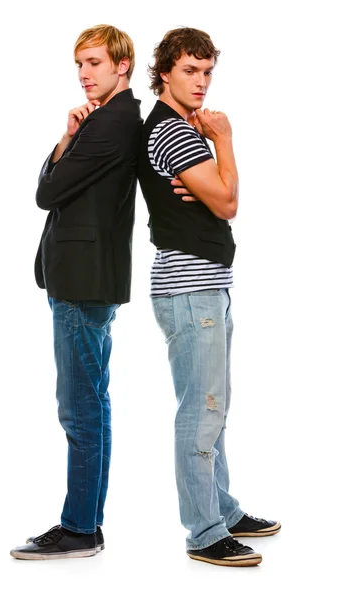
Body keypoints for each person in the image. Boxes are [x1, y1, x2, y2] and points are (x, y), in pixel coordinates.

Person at [138, 27, 280, 567]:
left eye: (207, 71)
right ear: (165, 72)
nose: (200, 82)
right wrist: (223, 142)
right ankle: (204, 532)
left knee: (213, 406)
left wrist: (211, 177)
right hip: (189, 286)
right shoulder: (176, 133)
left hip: (205, 284)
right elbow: (225, 203)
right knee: (201, 410)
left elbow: (215, 198)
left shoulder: (178, 129)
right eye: (189, 71)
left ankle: (223, 508)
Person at [10, 24, 143, 560]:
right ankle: (87, 522)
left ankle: (78, 529)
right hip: (88, 277)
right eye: (80, 65)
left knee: (80, 409)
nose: (85, 74)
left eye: (94, 63)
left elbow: (47, 193)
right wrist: (67, 136)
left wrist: (68, 142)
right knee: (93, 403)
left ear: (122, 66)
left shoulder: (112, 123)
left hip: (84, 280)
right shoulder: (107, 119)